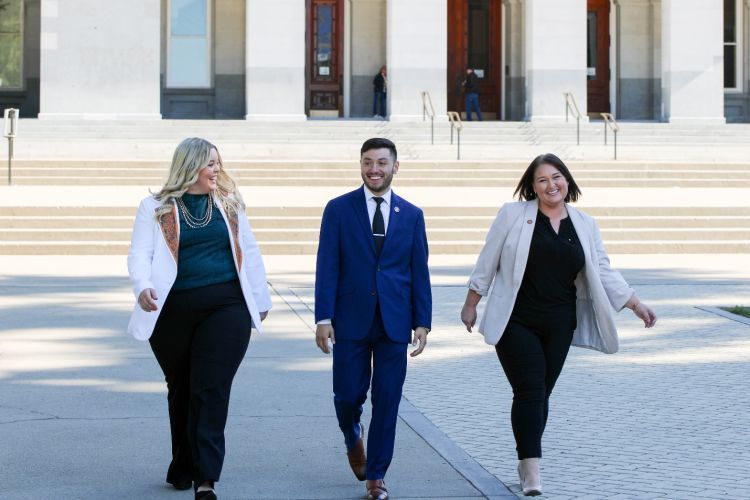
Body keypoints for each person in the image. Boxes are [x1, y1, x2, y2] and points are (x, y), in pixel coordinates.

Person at [460, 153, 656, 497]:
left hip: (560, 323)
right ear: (531, 187)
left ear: (567, 180)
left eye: (557, 177)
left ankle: (524, 461)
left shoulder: (584, 223)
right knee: (531, 390)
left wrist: (635, 304)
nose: (551, 185)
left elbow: (603, 269)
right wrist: (472, 303)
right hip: (515, 320)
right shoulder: (513, 215)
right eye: (542, 180)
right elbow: (487, 259)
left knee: (541, 394)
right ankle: (532, 468)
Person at [127, 137, 272, 500]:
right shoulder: (156, 207)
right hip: (170, 311)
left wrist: (260, 296)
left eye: (218, 162)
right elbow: (139, 254)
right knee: (181, 389)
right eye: (210, 163)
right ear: (190, 166)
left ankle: (205, 478)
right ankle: (183, 465)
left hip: (226, 307)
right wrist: (142, 287)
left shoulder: (229, 203)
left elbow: (249, 251)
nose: (217, 169)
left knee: (210, 389)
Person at [314, 137, 432, 500]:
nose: (374, 169)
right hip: (350, 319)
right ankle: (352, 435)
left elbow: (418, 270)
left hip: (394, 322)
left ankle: (376, 476)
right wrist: (323, 316)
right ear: (360, 165)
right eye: (368, 162)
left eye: (382, 162)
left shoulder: (411, 215)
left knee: (388, 398)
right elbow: (327, 265)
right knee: (348, 395)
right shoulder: (338, 209)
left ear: (396, 167)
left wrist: (422, 321)